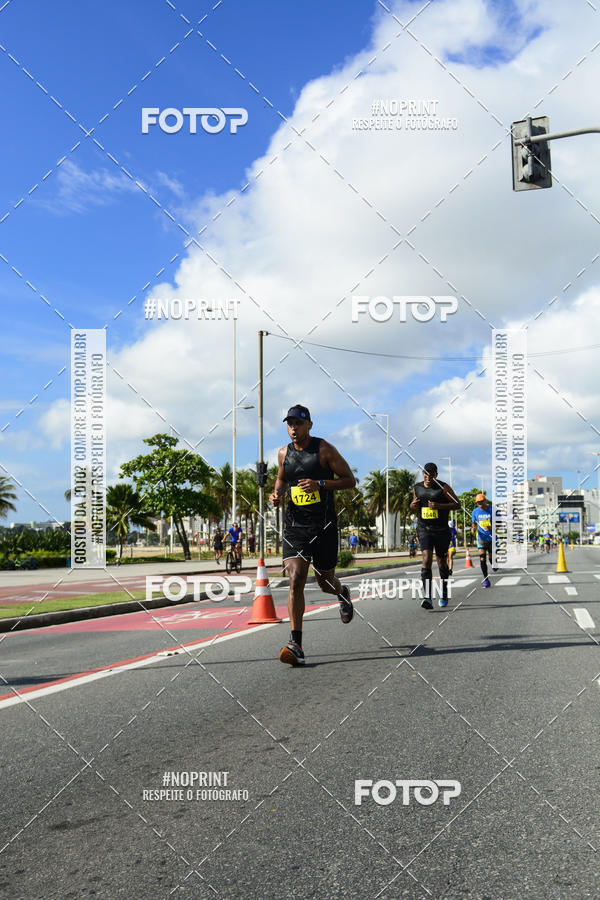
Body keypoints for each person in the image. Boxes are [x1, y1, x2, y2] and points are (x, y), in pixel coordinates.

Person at [269, 404, 356, 666]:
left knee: (325, 583)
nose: (293, 428)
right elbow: (282, 479)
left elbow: (350, 480)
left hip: (324, 527)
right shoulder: (283, 453)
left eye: (298, 423)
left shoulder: (324, 449)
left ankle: (342, 593)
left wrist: (320, 483)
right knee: (296, 578)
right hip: (295, 527)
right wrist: (277, 494)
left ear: (309, 425)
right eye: (290, 424)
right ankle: (296, 644)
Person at [410, 463, 460, 608]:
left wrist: (439, 506)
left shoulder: (443, 488)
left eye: (431, 474)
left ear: (436, 475)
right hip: (424, 528)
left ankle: (444, 592)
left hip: (441, 530)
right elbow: (414, 505)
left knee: (441, 562)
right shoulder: (417, 488)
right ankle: (427, 596)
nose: (428, 477)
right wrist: (412, 505)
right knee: (426, 559)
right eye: (425, 474)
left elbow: (457, 504)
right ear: (422, 473)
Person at [471, 493, 495, 587]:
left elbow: (500, 523)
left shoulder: (492, 510)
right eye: (478, 503)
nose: (480, 504)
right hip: (481, 538)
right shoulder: (475, 511)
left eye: (481, 502)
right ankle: (486, 579)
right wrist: (473, 528)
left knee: (491, 558)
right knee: (482, 558)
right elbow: (474, 523)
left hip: (491, 537)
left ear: (485, 501)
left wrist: (491, 527)